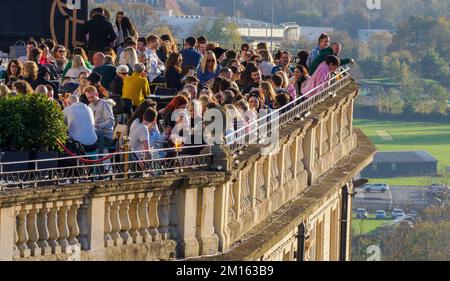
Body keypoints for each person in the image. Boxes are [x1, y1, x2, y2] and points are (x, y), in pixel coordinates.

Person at [85, 86, 115, 154]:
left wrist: (98, 126)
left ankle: (97, 161)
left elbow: (111, 121)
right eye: (88, 98)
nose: (90, 99)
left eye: (92, 97)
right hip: (96, 135)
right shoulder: (89, 106)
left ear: (97, 94)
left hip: (106, 135)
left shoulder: (104, 104)